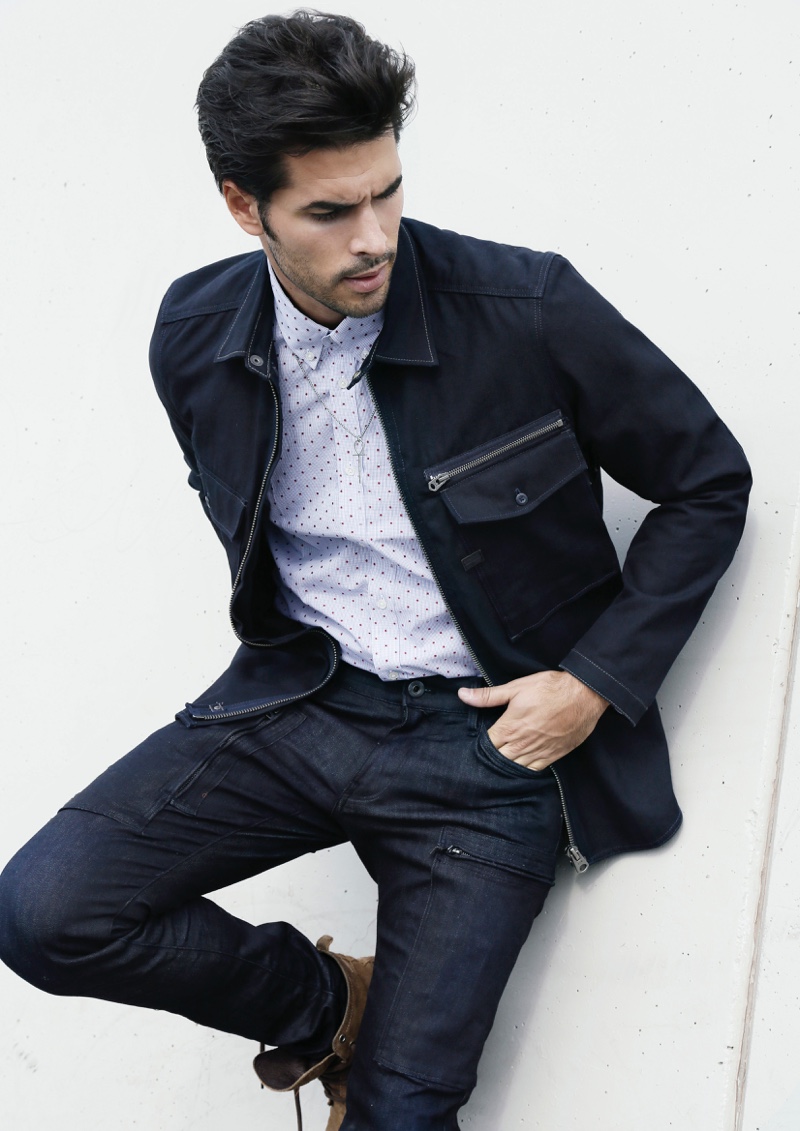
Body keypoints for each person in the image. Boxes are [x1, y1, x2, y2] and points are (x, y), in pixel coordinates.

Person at [0, 11, 751, 1131]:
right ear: (242, 205)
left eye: (387, 193)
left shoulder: (526, 306)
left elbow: (707, 483)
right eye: (328, 211)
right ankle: (324, 1005)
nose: (373, 237)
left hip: (482, 754)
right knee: (45, 912)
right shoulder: (193, 333)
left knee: (400, 1117)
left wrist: (591, 683)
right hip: (307, 704)